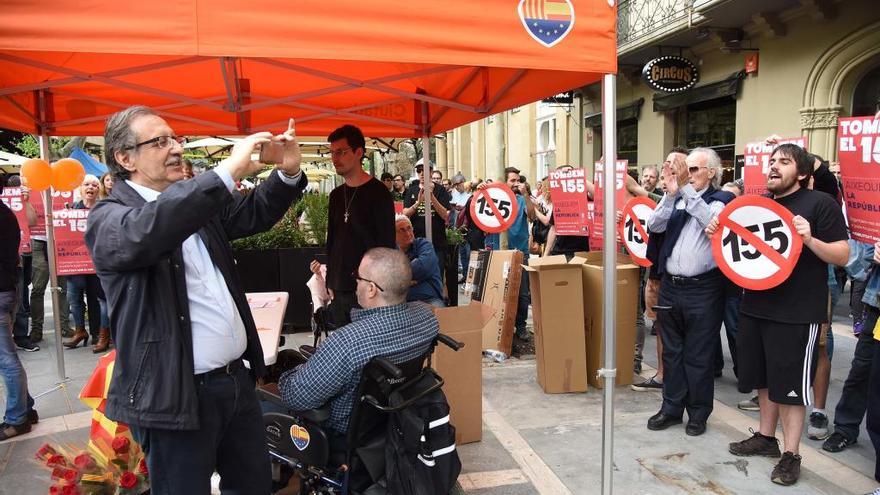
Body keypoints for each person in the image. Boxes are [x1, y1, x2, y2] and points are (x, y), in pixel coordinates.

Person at [85, 105, 307, 494]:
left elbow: (252, 212)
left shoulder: (194, 207)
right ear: (125, 158)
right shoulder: (110, 218)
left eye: (175, 139)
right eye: (159, 141)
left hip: (235, 383)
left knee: (254, 485)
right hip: (176, 396)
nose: (175, 149)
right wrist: (225, 174)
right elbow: (148, 232)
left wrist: (287, 173)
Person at [722, 144, 848, 486]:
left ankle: (791, 454)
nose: (773, 166)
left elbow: (842, 254)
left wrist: (809, 239)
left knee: (790, 386)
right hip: (755, 305)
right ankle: (766, 438)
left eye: (784, 161)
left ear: (803, 172)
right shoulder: (759, 204)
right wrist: (718, 236)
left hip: (797, 311)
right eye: (772, 161)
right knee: (762, 377)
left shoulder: (820, 203)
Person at [279, 247, 439, 442]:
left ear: (371, 289)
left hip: (343, 435)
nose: (355, 281)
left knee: (266, 404)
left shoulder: (348, 342)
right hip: (393, 422)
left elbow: (297, 397)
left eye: (358, 276)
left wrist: (287, 376)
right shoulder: (427, 318)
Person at [645, 147, 735, 437]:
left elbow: (711, 221)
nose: (688, 174)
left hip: (703, 288)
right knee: (672, 351)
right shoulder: (679, 197)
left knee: (698, 354)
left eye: (694, 169)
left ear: (711, 172)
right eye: (687, 169)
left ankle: (698, 413)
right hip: (672, 286)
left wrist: (684, 189)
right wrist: (672, 195)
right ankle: (671, 408)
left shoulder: (721, 200)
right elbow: (654, 224)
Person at [325, 124, 396, 328]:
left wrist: (375, 284)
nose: (334, 158)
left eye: (341, 152)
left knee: (368, 353)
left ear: (358, 152)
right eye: (332, 152)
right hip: (339, 287)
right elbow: (332, 241)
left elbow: (385, 246)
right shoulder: (336, 196)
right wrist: (330, 278)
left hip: (367, 288)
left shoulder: (379, 193)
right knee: (345, 352)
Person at [824, 240, 879, 453]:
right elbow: (858, 254)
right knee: (862, 368)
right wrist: (873, 253)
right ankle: (846, 428)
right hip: (877, 306)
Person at [0, 171, 39, 441]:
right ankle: (25, 408)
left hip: (1, 290)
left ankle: (17, 418)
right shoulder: (4, 213)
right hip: (6, 289)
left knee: (6, 358)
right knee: (7, 354)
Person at [63, 175, 111, 353]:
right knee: (74, 299)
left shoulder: (104, 209)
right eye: (86, 185)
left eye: (94, 185)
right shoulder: (71, 209)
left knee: (102, 301)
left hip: (98, 263)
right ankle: (80, 331)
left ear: (99, 190)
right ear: (80, 189)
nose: (90, 187)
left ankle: (103, 335)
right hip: (76, 264)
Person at [5, 176, 39, 352]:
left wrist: (25, 201)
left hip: (20, 255)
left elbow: (33, 221)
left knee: (21, 294)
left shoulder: (19, 201)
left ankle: (21, 336)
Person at [403, 160, 451, 279]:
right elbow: (405, 214)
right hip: (416, 242)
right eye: (419, 171)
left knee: (437, 276)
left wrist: (431, 197)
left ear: (430, 171)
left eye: (424, 170)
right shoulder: (412, 190)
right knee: (417, 276)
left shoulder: (440, 190)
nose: (421, 173)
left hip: (437, 242)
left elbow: (445, 215)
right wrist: (418, 203)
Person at [395, 215, 444, 307]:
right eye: (402, 230)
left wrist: (398, 280)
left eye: (409, 228)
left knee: (438, 316)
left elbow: (423, 267)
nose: (408, 233)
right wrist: (408, 278)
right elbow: (383, 275)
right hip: (400, 301)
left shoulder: (424, 245)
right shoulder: (391, 251)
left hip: (428, 299)